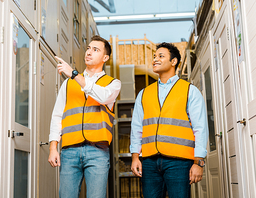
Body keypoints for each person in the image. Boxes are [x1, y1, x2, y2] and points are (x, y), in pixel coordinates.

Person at [130, 42, 209, 198]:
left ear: (173, 62)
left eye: (161, 56)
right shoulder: (144, 93)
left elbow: (200, 128)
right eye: (154, 56)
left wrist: (198, 161)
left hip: (179, 162)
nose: (155, 60)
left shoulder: (189, 91)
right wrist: (135, 157)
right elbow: (137, 127)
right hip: (150, 162)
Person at [48, 35, 121, 198]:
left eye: (95, 50)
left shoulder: (113, 84)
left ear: (105, 57)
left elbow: (102, 97)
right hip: (69, 151)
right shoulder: (68, 83)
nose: (89, 52)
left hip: (98, 152)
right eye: (88, 48)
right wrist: (53, 147)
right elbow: (57, 116)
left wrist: (74, 74)